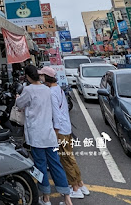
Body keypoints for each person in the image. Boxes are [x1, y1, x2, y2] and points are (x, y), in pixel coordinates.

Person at [15, 65, 73, 205]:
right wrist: (57, 129)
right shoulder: (47, 90)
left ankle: (46, 198)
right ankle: (67, 198)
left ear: (28, 77)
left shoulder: (28, 90)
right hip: (49, 134)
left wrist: (18, 96)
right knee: (55, 164)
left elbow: (19, 104)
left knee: (40, 165)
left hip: (36, 135)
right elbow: (55, 112)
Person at [40, 67, 90, 199]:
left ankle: (74, 188)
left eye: (42, 76)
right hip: (66, 128)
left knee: (65, 160)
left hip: (60, 130)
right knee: (70, 157)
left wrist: (56, 132)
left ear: (47, 77)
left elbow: (56, 113)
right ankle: (80, 184)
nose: (40, 78)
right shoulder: (59, 89)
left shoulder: (51, 92)